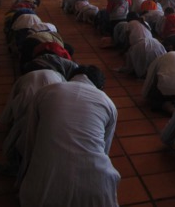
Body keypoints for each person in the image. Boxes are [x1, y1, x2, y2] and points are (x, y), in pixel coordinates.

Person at [18, 66, 120, 206]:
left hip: (43, 189)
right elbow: (104, 148)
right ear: (101, 87)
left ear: (69, 78)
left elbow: (31, 138)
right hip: (97, 187)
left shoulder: (45, 92)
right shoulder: (108, 103)